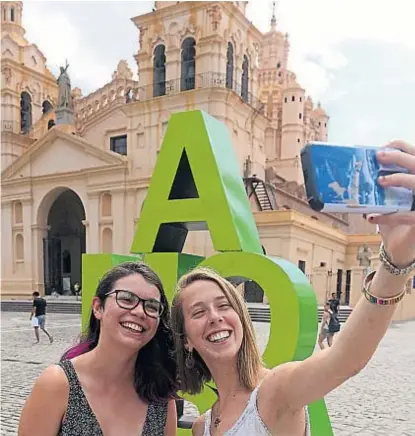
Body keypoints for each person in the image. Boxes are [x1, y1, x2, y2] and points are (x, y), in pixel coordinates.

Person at [171, 140, 415, 436]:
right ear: (186, 340)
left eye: (224, 306)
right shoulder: (203, 426)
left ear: (241, 318)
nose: (215, 316)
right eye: (198, 311)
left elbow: (346, 360)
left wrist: (395, 262)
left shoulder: (276, 391)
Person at [19, 262, 178, 436]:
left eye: (152, 306)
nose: (140, 312)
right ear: (97, 307)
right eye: (126, 299)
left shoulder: (160, 396)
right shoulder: (57, 384)